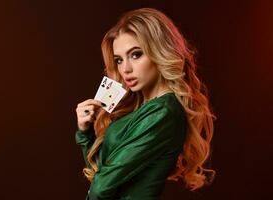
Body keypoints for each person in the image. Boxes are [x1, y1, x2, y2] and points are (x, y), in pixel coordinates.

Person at [74, 7, 216, 200]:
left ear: (159, 51)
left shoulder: (162, 112)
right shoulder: (145, 108)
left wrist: (97, 188)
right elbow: (101, 173)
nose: (126, 69)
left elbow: (101, 187)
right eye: (119, 60)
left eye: (136, 54)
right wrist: (86, 133)